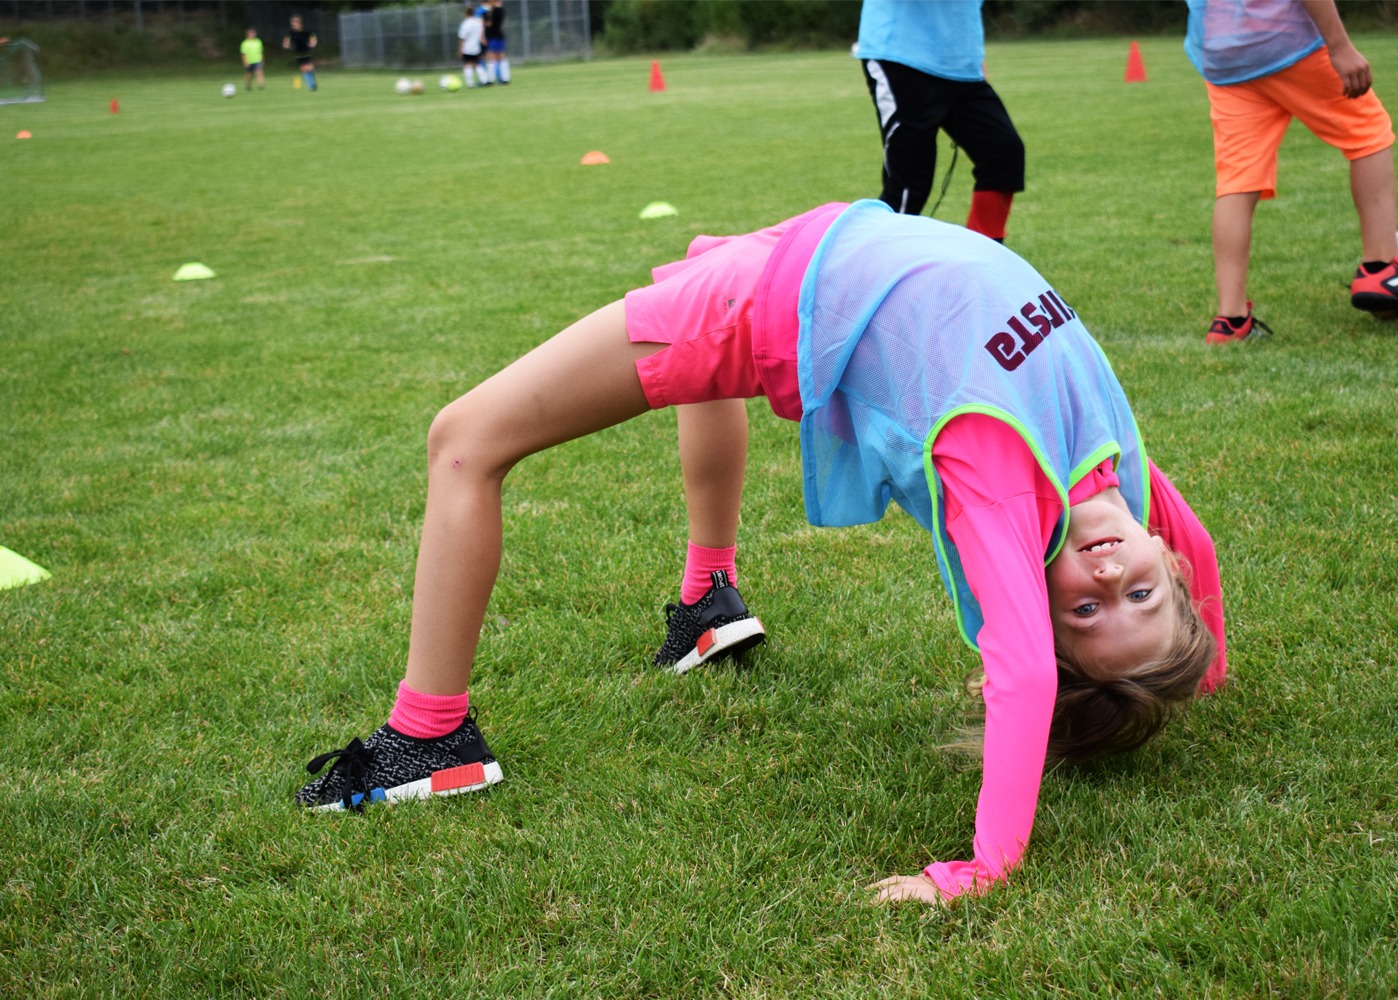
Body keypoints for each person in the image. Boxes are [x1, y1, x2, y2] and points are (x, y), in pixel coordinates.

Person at [295, 200, 1227, 904]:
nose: (1109, 576)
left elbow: (1022, 674)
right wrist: (1203, 663)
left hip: (787, 294)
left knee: (465, 440)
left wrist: (985, 868)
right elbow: (1200, 544)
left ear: (1035, 588)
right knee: (691, 292)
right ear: (1167, 567)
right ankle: (711, 600)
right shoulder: (1114, 471)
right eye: (1142, 594)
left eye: (1087, 611)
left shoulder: (1000, 474)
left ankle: (427, 739)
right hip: (827, 243)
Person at [1184, 0, 1398, 344]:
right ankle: (1380, 266)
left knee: (1237, 181)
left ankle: (1231, 320)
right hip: (1284, 41)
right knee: (1368, 132)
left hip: (1222, 50)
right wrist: (1340, 46)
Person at [853, 0, 1024, 242]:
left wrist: (974, 55)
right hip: (902, 56)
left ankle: (982, 258)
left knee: (1003, 154)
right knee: (909, 185)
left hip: (961, 66)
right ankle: (869, 268)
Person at [283, 14, 318, 93]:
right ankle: (311, 86)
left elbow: (314, 39)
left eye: (295, 23)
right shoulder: (290, 33)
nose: (293, 25)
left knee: (310, 68)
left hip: (307, 51)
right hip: (298, 53)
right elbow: (285, 42)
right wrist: (286, 45)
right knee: (304, 69)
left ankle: (312, 83)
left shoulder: (307, 31)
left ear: (299, 23)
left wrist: (313, 43)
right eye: (292, 23)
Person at [457, 5, 485, 88]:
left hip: (467, 48)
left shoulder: (465, 24)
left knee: (468, 65)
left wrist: (460, 49)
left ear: (465, 14)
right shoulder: (478, 22)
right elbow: (482, 31)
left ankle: (470, 83)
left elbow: (462, 38)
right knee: (478, 64)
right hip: (476, 47)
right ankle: (484, 80)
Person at [483, 0, 510, 85]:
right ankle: (505, 78)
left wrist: (488, 15)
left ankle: (491, 80)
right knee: (500, 57)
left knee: (492, 57)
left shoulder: (495, 11)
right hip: (498, 35)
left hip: (494, 36)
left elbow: (489, 24)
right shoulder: (501, 10)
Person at [240, 27, 265, 92]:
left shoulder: (258, 41)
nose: (253, 34)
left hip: (257, 60)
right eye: (251, 33)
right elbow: (243, 54)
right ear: (247, 34)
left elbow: (261, 52)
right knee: (250, 75)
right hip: (249, 61)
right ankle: (248, 85)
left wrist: (262, 60)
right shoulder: (244, 43)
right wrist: (245, 62)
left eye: (254, 33)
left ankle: (261, 86)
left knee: (259, 72)